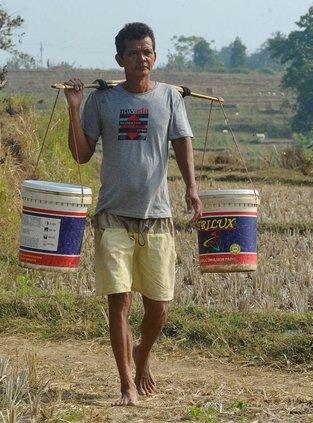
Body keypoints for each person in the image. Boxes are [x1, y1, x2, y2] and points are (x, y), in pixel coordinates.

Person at [63, 22, 202, 406]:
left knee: (158, 308)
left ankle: (142, 354)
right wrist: (74, 109)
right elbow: (81, 154)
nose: (141, 58)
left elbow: (182, 141)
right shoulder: (103, 101)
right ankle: (126, 382)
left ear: (154, 56)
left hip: (156, 215)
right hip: (113, 217)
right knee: (119, 302)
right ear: (119, 59)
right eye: (133, 52)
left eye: (147, 51)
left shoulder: (170, 98)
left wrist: (191, 188)